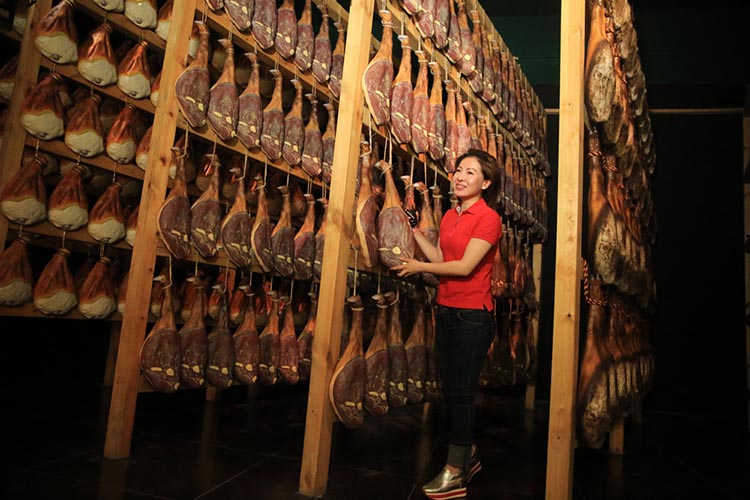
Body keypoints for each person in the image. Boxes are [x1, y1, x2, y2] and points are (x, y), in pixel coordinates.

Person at [392, 149, 503, 500]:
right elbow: (442, 257)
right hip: (446, 311)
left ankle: (455, 471)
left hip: (473, 315)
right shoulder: (450, 215)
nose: (460, 177)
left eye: (470, 172)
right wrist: (415, 232)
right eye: (458, 170)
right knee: (451, 390)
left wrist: (418, 267)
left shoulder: (489, 218)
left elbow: (465, 267)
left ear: (486, 183)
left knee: (462, 392)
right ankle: (468, 453)